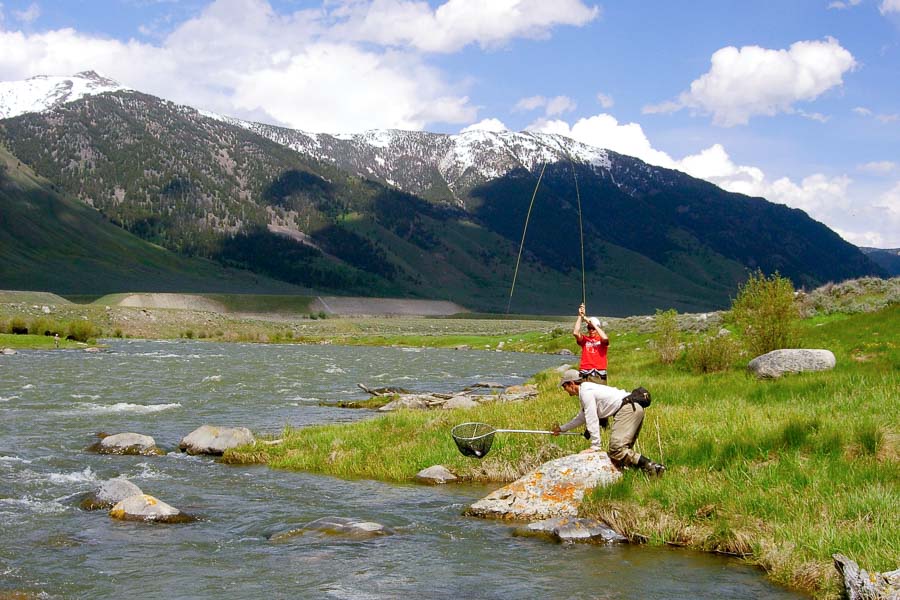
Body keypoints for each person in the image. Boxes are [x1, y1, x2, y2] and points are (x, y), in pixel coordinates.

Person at [552, 369, 666, 475]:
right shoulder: (587, 390)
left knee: (616, 449)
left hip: (627, 409)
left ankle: (653, 468)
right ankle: (641, 472)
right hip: (634, 408)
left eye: (564, 386)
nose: (564, 390)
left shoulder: (586, 392)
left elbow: (592, 418)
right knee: (621, 452)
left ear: (571, 383)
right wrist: (562, 429)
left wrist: (595, 446)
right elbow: (581, 418)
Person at [572, 303, 609, 382]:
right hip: (585, 372)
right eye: (589, 328)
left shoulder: (601, 339)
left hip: (599, 373)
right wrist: (580, 316)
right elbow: (575, 332)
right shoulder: (585, 339)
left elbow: (605, 338)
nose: (591, 330)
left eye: (593, 328)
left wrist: (593, 324)